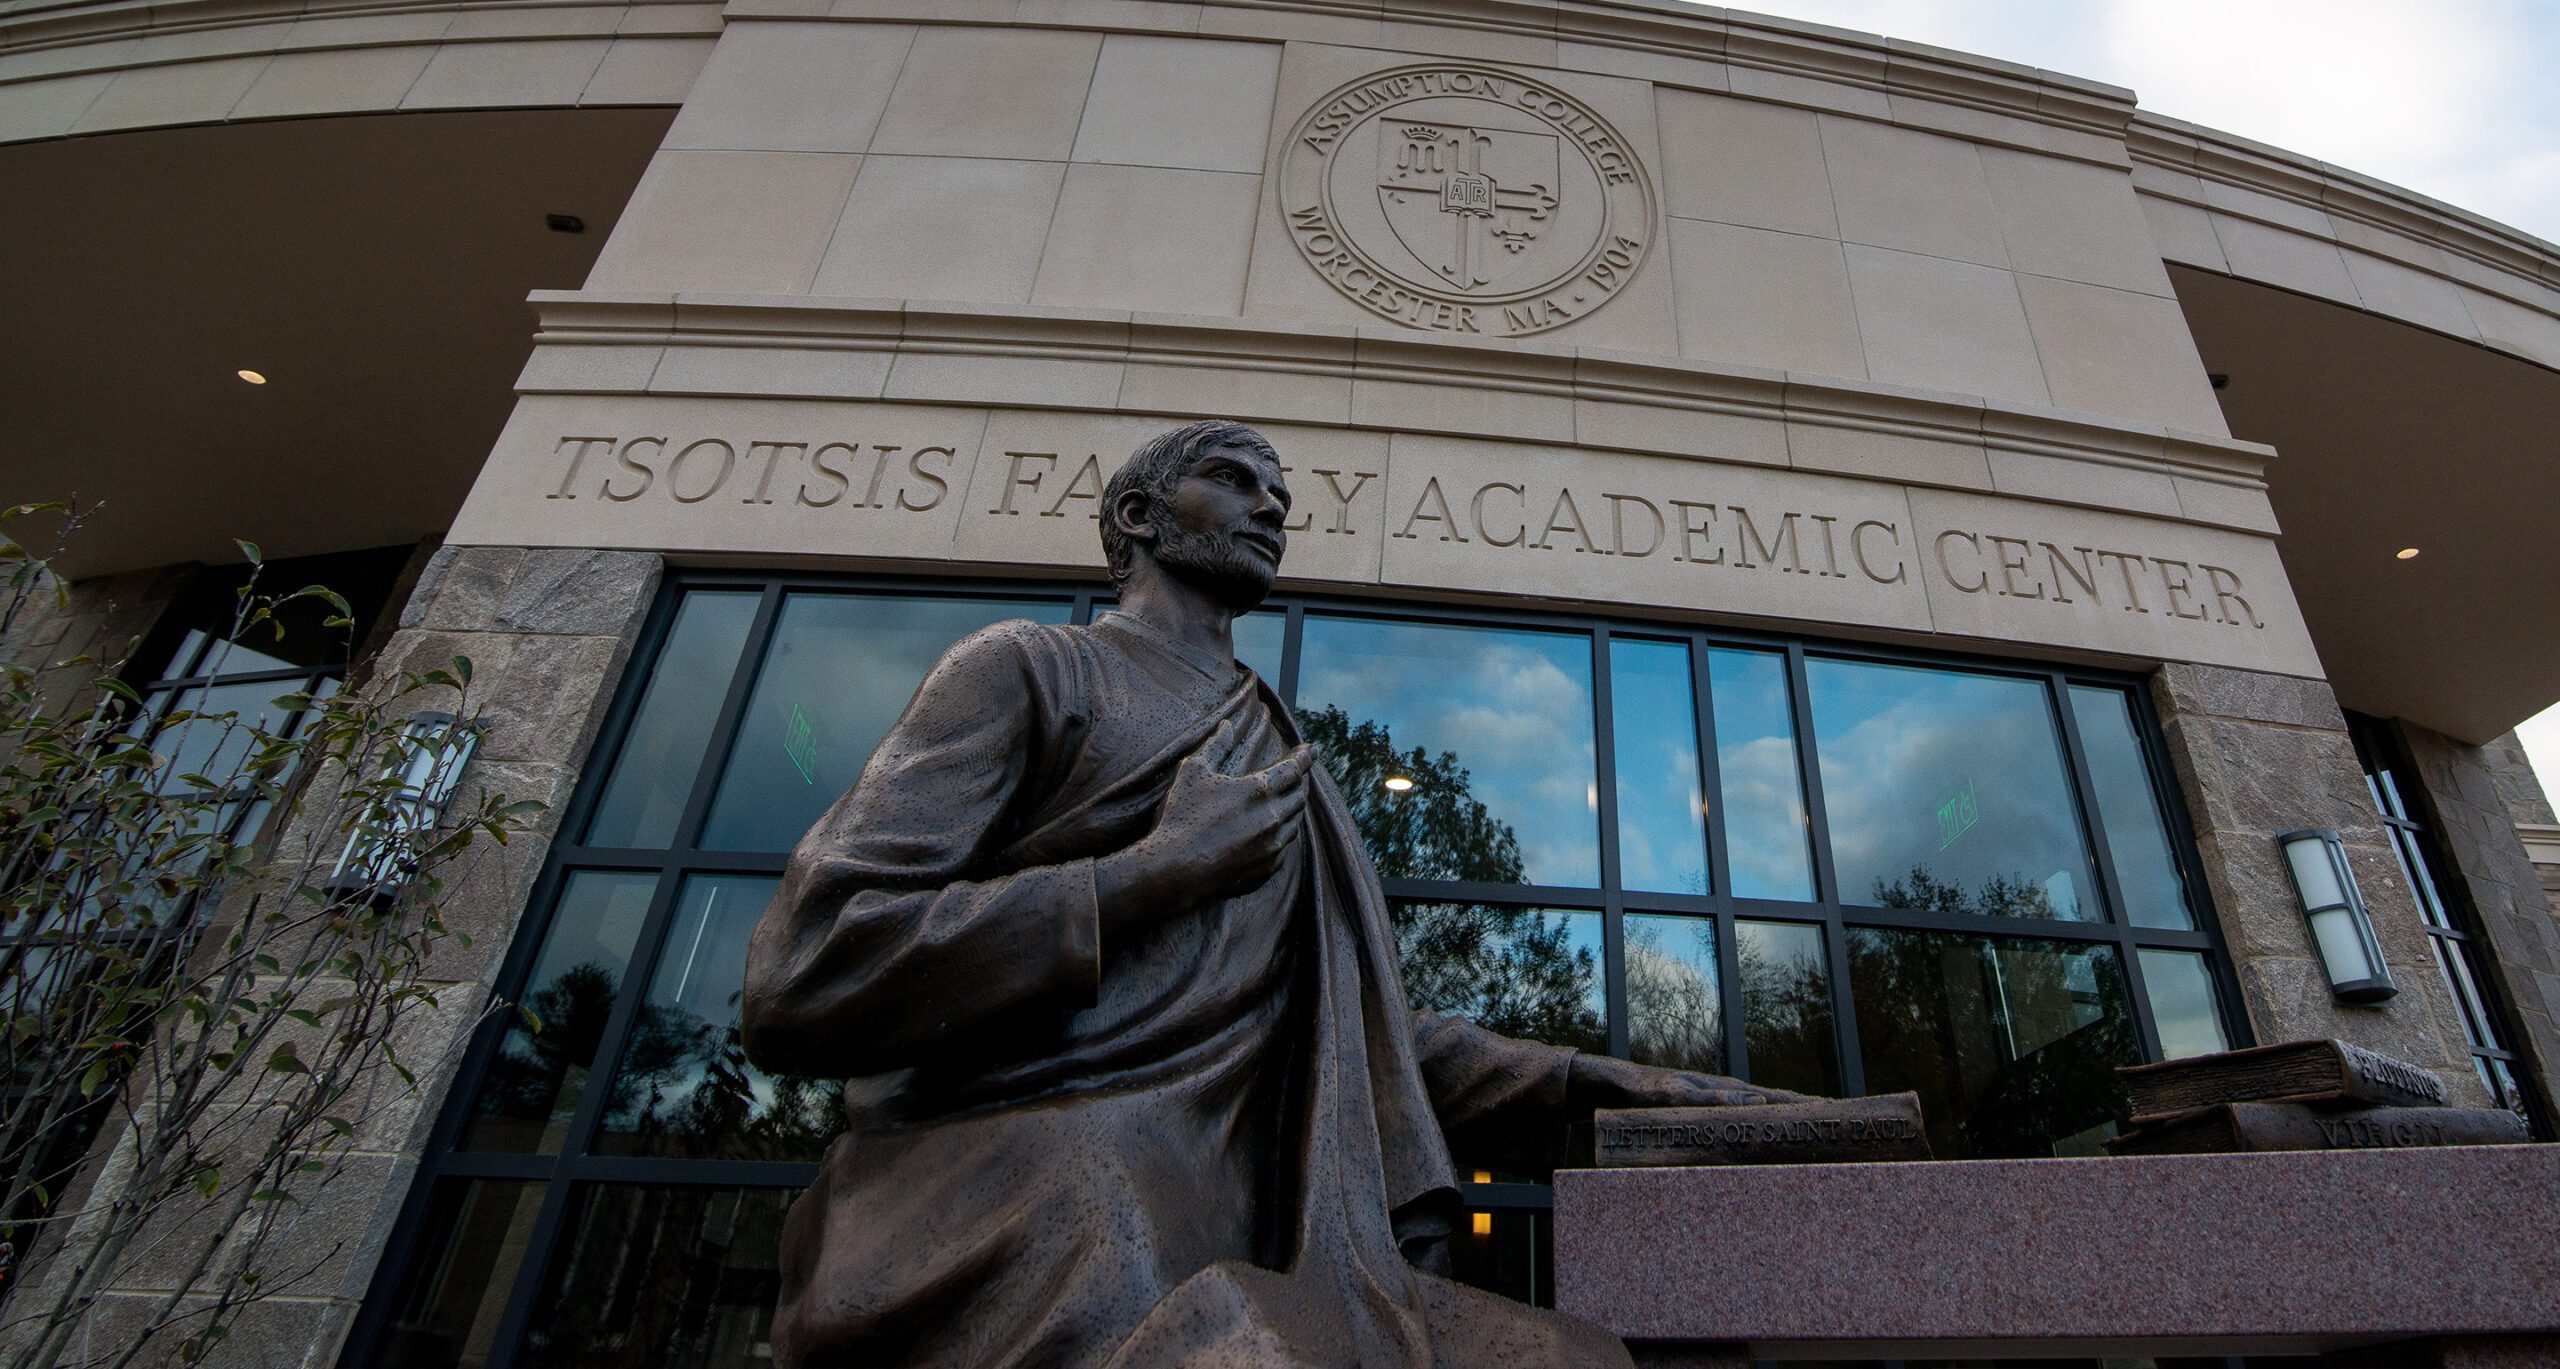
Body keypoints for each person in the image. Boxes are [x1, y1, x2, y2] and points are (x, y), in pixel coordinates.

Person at [742, 420, 1804, 1368]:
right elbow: (807, 966)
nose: (1271, 506)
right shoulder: (1027, 670)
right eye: (1233, 479)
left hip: (1252, 1224)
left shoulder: (1282, 753)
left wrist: (1641, 1098)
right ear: (1138, 517)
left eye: (1281, 495)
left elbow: (1371, 1043)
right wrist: (1150, 875)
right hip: (1030, 1193)